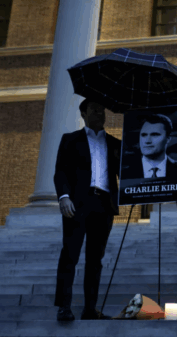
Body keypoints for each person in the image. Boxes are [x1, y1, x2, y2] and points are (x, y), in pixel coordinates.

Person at [53, 99, 121, 321]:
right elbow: (61, 171)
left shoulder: (114, 143)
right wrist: (63, 197)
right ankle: (64, 307)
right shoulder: (71, 140)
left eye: (102, 111)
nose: (100, 114)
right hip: (77, 204)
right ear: (83, 113)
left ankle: (90, 309)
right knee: (69, 255)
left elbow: (128, 172)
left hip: (104, 205)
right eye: (95, 110)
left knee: (95, 260)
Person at [120, 114, 177, 180]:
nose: (147, 141)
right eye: (144, 135)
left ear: (168, 138)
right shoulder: (124, 174)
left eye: (154, 135)